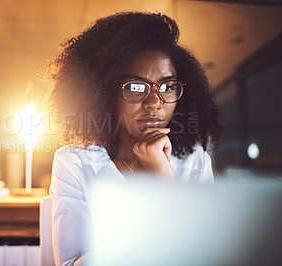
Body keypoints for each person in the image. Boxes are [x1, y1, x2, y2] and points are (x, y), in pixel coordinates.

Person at [46, 12, 221, 265]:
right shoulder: (75, 163)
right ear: (103, 92)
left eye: (167, 86)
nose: (154, 103)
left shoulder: (195, 162)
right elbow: (70, 263)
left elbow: (209, 255)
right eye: (136, 87)